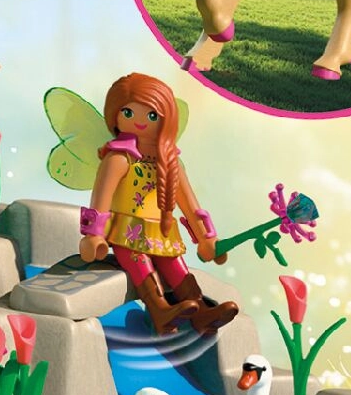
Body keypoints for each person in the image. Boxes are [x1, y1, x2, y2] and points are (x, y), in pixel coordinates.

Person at [77, 73, 238, 335]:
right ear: (115, 115)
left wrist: (206, 238)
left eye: (152, 115)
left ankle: (201, 311)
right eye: (128, 112)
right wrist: (93, 235)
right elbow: (101, 199)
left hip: (162, 232)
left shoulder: (170, 162)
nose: (140, 121)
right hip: (127, 232)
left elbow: (190, 204)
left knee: (175, 265)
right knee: (139, 261)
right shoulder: (119, 158)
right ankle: (159, 309)